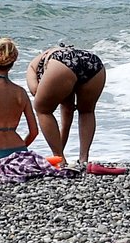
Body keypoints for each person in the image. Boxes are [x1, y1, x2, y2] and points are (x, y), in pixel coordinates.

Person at [26, 43, 123, 173]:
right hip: (92, 62)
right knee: (87, 111)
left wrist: (58, 156)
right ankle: (83, 160)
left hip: (60, 62)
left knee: (42, 109)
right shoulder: (53, 56)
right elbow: (67, 113)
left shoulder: (33, 67)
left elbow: (36, 92)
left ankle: (60, 161)